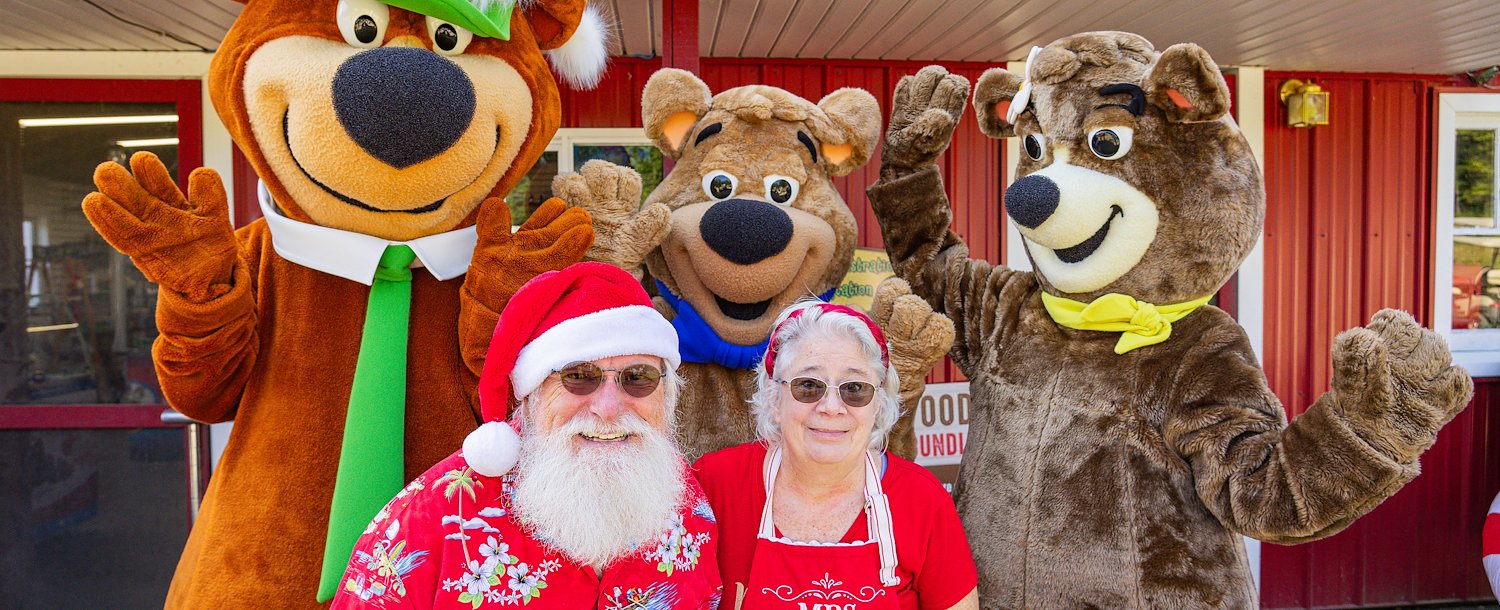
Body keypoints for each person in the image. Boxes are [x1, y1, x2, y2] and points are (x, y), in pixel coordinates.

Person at [332, 262, 721, 609]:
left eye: (638, 378)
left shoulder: (686, 503)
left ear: (666, 395)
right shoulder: (427, 520)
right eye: (578, 377)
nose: (608, 408)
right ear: (532, 396)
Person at [694, 300, 979, 610]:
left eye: (854, 388)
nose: (831, 407)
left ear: (878, 404)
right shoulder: (714, 485)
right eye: (808, 385)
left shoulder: (922, 501)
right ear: (774, 399)